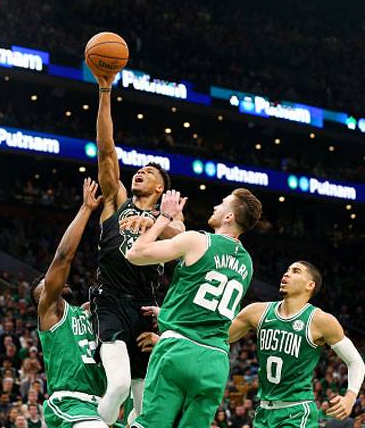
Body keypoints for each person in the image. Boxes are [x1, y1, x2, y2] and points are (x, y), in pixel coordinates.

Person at [90, 72, 185, 425]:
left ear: (161, 187)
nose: (140, 172)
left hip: (147, 310)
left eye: (149, 172)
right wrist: (104, 91)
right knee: (116, 388)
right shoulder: (117, 201)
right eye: (139, 170)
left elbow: (181, 237)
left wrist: (158, 222)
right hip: (111, 300)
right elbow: (105, 150)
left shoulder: (169, 223)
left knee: (145, 406)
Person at [124, 188, 262, 428]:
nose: (216, 207)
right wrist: (167, 313)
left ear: (229, 217)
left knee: (149, 424)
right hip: (216, 360)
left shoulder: (198, 240)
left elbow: (135, 253)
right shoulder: (247, 263)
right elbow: (210, 306)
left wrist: (165, 218)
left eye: (222, 203)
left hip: (178, 350)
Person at [229, 261, 365, 427]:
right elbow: (221, 337)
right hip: (264, 410)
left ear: (310, 285)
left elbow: (355, 361)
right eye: (287, 270)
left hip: (296, 412)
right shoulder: (256, 312)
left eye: (296, 271)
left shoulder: (320, 321)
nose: (286, 274)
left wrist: (350, 397)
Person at [30, 178, 107, 428]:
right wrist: (86, 209)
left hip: (103, 404)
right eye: (45, 281)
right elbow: (63, 257)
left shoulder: (86, 312)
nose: (51, 280)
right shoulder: (50, 311)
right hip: (70, 402)